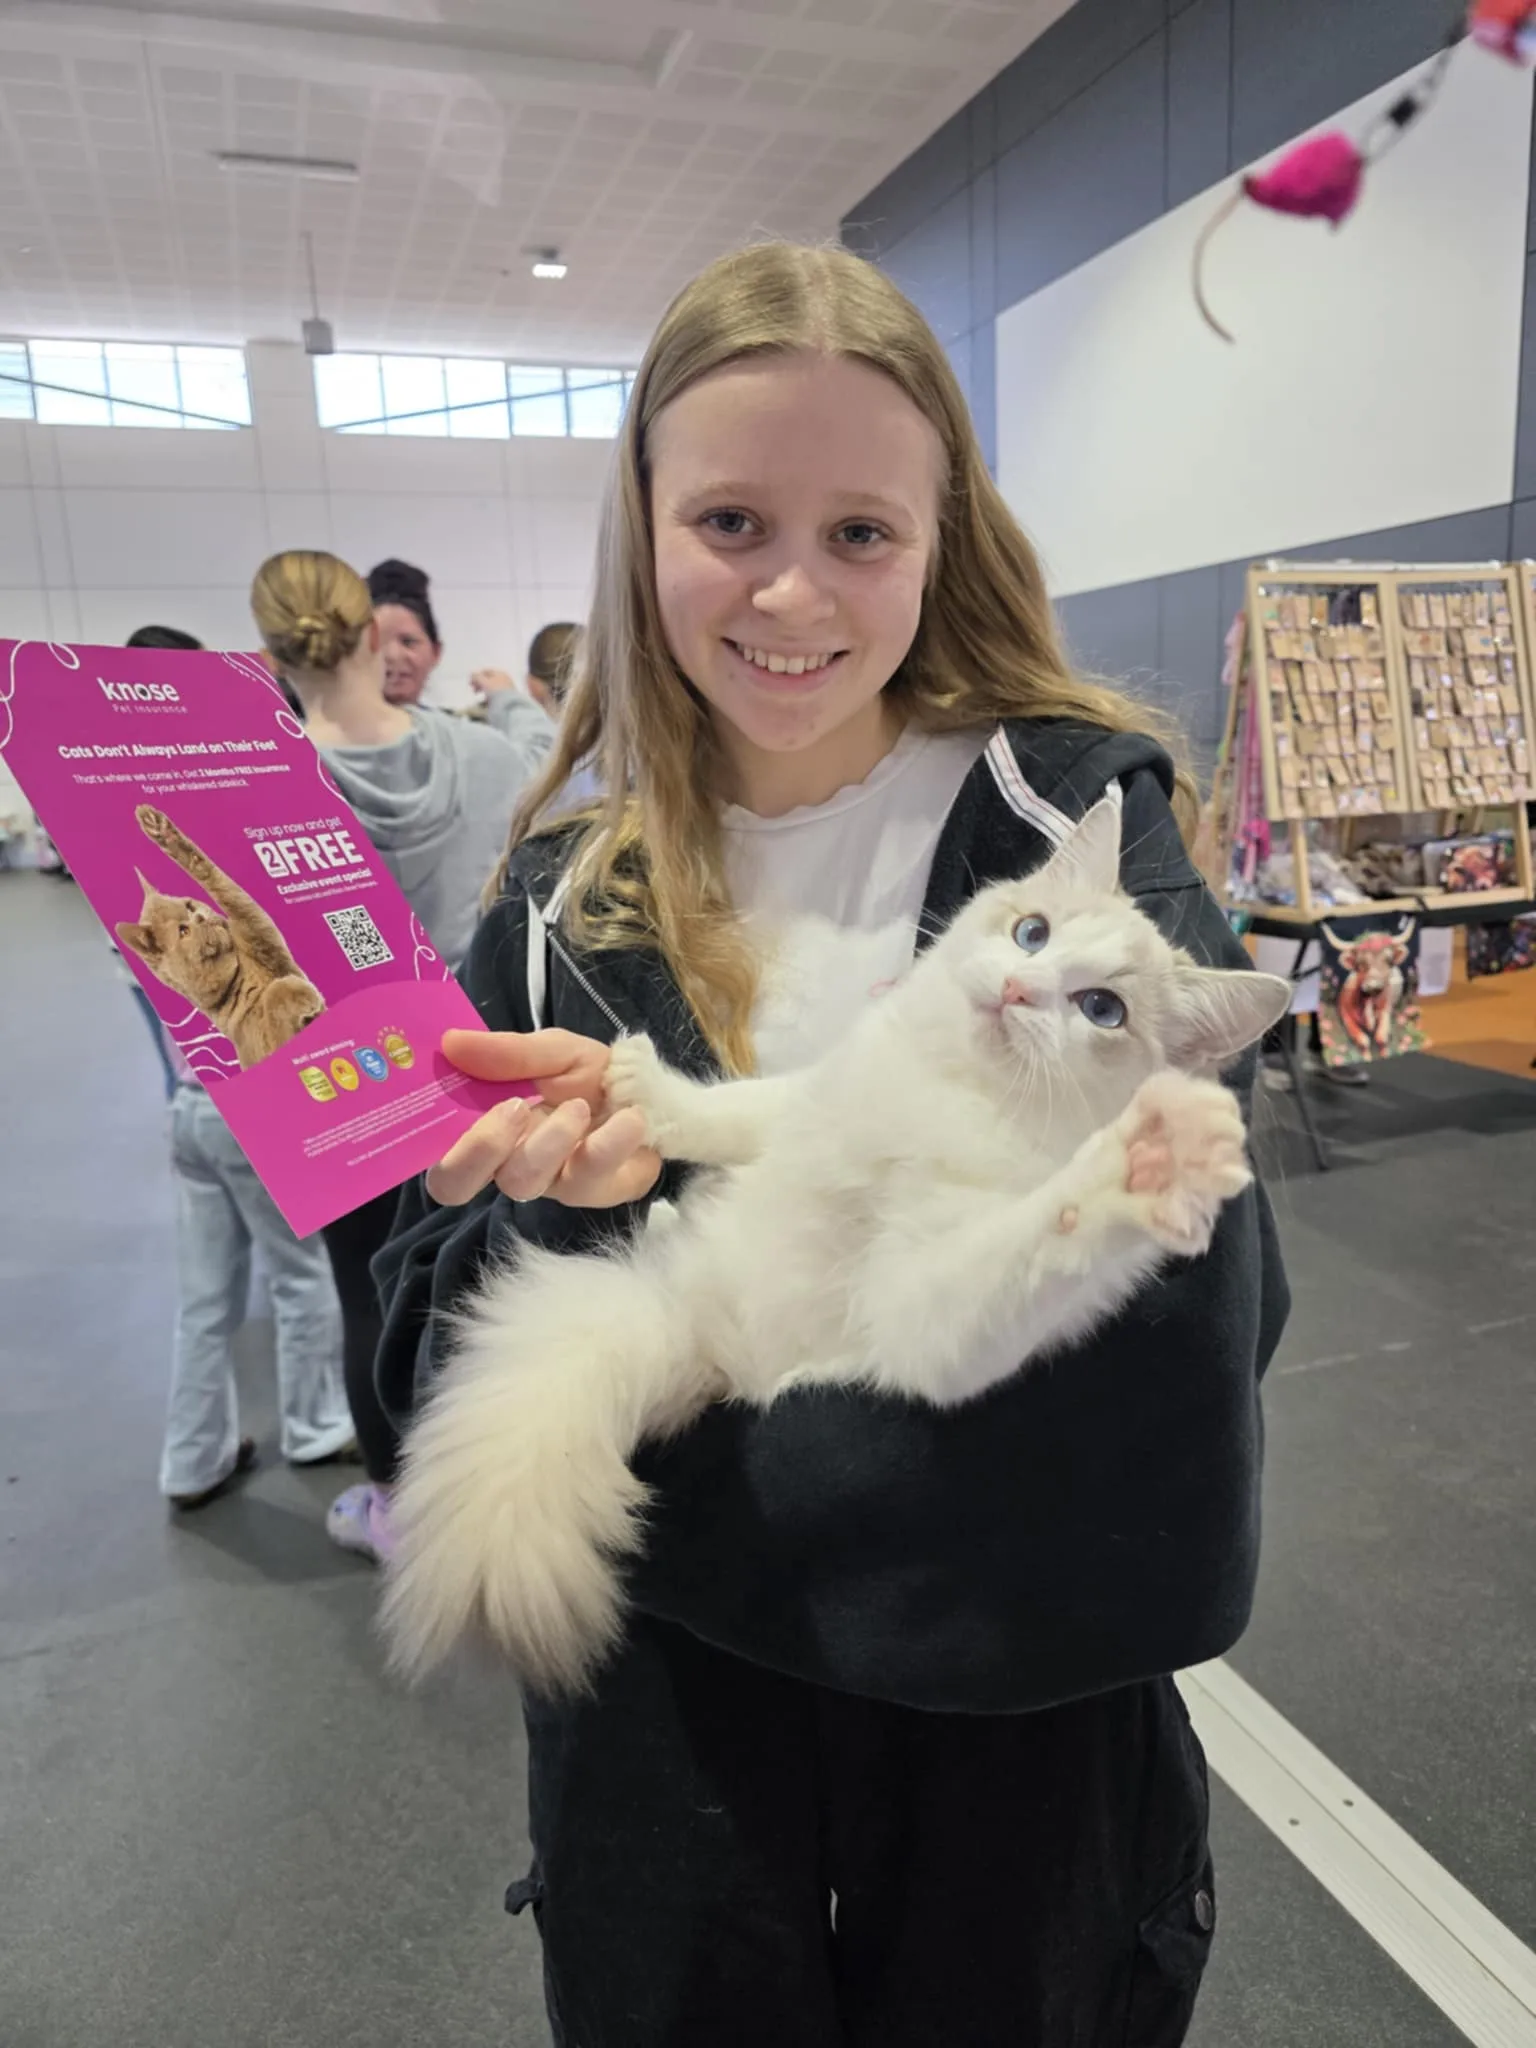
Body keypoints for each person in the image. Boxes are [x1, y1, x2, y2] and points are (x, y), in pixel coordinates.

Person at [374, 242, 1288, 2045]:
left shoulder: (1073, 829)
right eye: (729, 516)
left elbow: (1175, 1391)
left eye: (861, 531)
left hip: (1019, 1778)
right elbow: (411, 1356)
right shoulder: (556, 905)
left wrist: (712, 1460)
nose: (791, 587)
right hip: (674, 1792)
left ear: (943, 537)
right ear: (641, 527)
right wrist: (559, 1225)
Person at [249, 549, 552, 1561]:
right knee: (485, 1271)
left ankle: (396, 1508)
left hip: (331, 1084)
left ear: (269, 651)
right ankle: (505, 1481)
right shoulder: (489, 759)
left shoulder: (253, 784)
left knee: (369, 1294)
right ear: (378, 634)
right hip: (478, 1060)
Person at [122, 625, 353, 1505]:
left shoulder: (112, 815)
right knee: (300, 1274)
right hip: (244, 1109)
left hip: (189, 1102)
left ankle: (192, 1459)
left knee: (205, 1299)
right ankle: (315, 1423)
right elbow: (244, 910)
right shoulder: (215, 812)